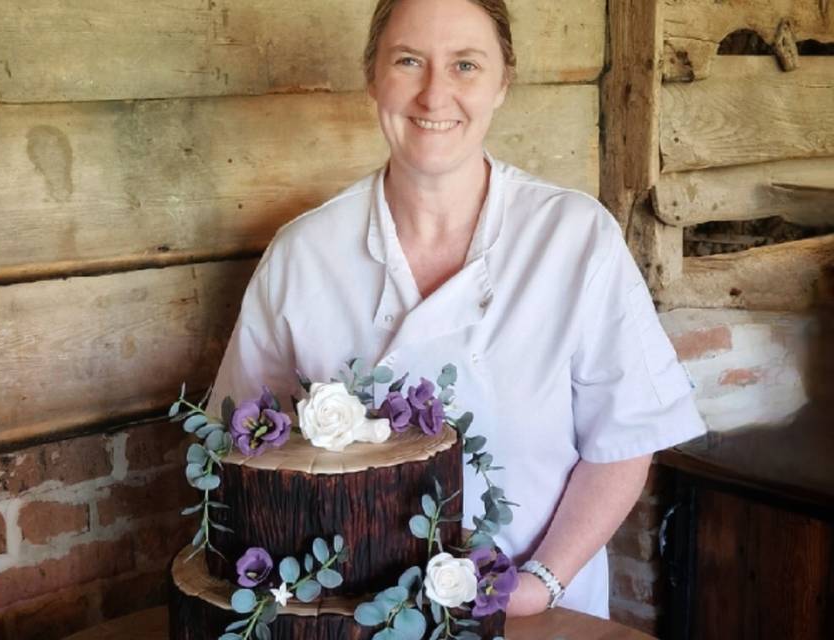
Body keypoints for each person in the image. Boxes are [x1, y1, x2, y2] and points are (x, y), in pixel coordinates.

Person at [207, 0, 706, 619]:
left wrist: (539, 584)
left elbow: (627, 435)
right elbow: (237, 449)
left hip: (536, 612)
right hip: (358, 615)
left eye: (466, 64)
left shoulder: (574, 238)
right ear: (372, 77)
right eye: (409, 61)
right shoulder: (302, 254)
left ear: (503, 82)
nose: (435, 94)